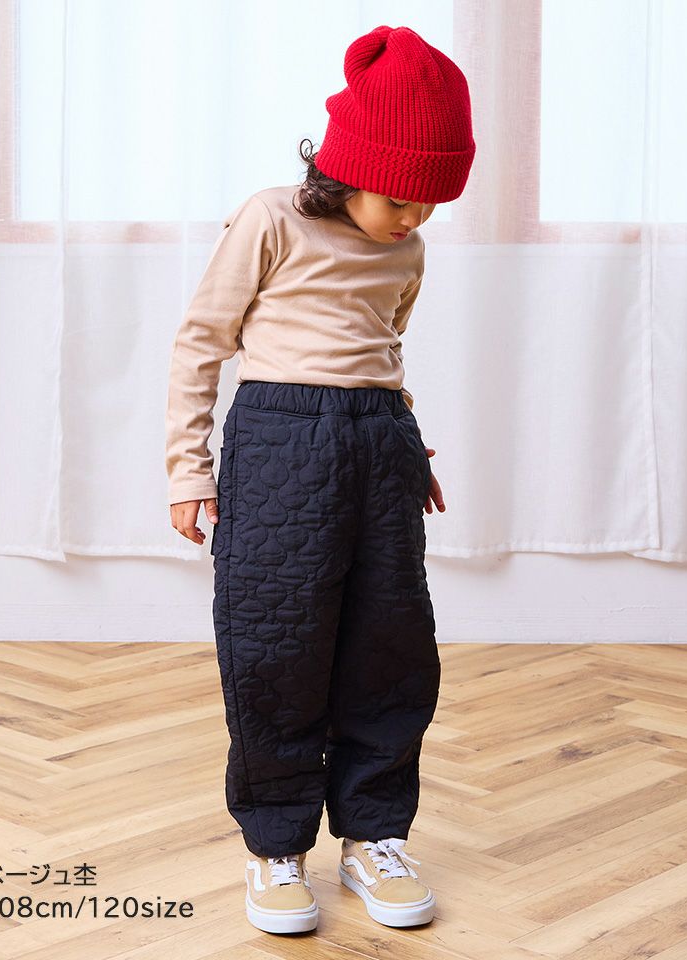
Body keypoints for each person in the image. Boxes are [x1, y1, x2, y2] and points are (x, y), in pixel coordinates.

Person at [165, 23, 475, 936]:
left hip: (379, 446)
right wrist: (188, 468)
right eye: (399, 197)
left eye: (431, 202)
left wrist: (408, 450)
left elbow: (382, 353)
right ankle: (275, 846)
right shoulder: (271, 219)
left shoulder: (407, 249)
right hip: (279, 442)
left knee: (390, 645)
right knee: (276, 646)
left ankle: (374, 836)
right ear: (347, 169)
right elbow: (200, 345)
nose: (413, 218)